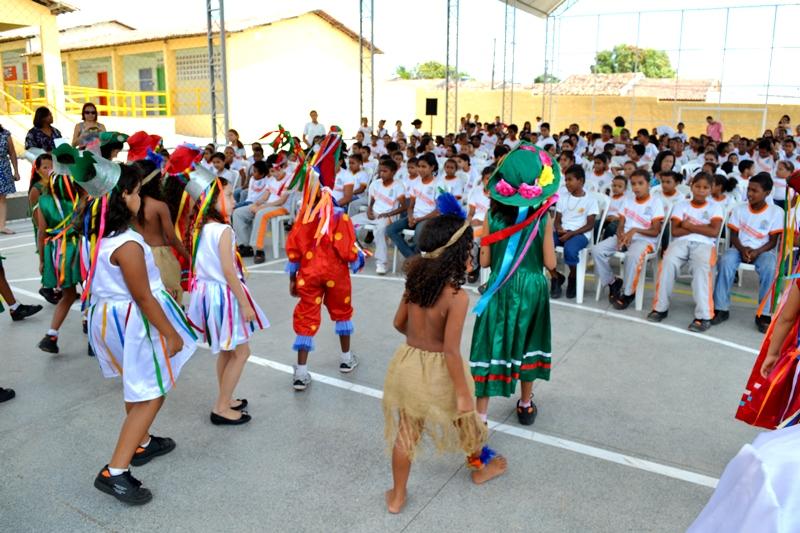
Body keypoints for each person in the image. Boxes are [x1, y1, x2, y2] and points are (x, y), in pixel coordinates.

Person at [69, 154, 196, 505]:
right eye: (137, 191)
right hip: (134, 321)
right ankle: (116, 471)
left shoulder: (101, 236)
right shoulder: (127, 244)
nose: (140, 197)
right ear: (123, 196)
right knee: (153, 392)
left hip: (112, 319)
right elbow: (142, 296)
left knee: (138, 383)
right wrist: (170, 332)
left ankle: (141, 441)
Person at [382, 199, 507, 514]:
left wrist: (417, 340)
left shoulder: (414, 281)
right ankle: (480, 468)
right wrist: (463, 394)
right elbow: (451, 350)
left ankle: (397, 495)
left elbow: (397, 323)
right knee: (466, 422)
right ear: (457, 254)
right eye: (468, 249)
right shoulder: (456, 297)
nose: (471, 254)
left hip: (409, 364)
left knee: (407, 432)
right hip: (442, 370)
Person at [470, 141, 559, 426]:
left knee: (490, 342)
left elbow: (485, 261)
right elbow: (550, 263)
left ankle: (481, 416)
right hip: (532, 288)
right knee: (529, 340)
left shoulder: (491, 217)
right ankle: (525, 404)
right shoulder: (543, 219)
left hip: (499, 287)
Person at [184, 169, 268, 425]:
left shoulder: (201, 228)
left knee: (227, 350)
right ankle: (221, 407)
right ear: (212, 201)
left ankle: (226, 397)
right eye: (229, 196)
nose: (233, 201)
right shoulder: (223, 230)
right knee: (242, 352)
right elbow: (229, 271)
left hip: (209, 294)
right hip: (224, 296)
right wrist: (245, 304)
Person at [286, 128, 363, 391]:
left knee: (306, 316)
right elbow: (348, 250)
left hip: (308, 274)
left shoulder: (304, 217)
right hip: (335, 275)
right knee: (342, 313)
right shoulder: (340, 217)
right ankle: (346, 359)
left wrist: (292, 279)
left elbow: (294, 249)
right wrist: (356, 258)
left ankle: (301, 372)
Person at [648, 173, 723, 332]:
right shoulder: (681, 205)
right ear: (691, 186)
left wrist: (689, 226)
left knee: (702, 268)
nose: (701, 190)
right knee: (667, 263)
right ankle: (660, 307)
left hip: (705, 244)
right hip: (681, 242)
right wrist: (703, 227)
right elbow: (675, 231)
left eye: (705, 188)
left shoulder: (715, 207)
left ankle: (704, 316)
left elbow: (714, 232)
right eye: (697, 186)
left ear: (711, 189)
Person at [712, 173, 783, 333]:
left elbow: (773, 241)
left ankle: (763, 314)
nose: (749, 193)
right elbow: (734, 236)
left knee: (770, 266)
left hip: (763, 251)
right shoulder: (739, 209)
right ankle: (721, 308)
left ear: (767, 193)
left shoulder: (776, 212)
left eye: (755, 191)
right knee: (726, 261)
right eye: (749, 189)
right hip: (739, 248)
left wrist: (757, 251)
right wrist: (743, 249)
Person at [35, 146, 83, 355]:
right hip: (78, 249)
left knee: (68, 295)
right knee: (90, 290)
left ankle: (51, 334)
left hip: (56, 252)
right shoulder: (80, 199)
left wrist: (42, 260)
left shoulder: (43, 201)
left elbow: (42, 232)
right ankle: (90, 328)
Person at [593, 169, 664, 310]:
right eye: (634, 184)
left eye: (640, 183)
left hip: (645, 240)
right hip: (624, 237)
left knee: (632, 256)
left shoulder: (656, 202)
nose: (636, 187)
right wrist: (620, 235)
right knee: (597, 250)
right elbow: (621, 224)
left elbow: (655, 231)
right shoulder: (628, 200)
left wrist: (635, 230)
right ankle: (613, 282)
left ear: (648, 184)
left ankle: (628, 293)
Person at [131, 159, 190, 305]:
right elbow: (172, 238)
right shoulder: (159, 206)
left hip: (138, 257)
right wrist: (189, 258)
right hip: (161, 259)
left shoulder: (129, 206)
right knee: (170, 299)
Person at [351, 158, 406, 275]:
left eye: (385, 171)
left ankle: (381, 263)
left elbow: (403, 207)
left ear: (393, 172)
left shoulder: (399, 186)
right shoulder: (375, 184)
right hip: (373, 214)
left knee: (379, 232)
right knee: (348, 223)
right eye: (380, 171)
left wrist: (388, 214)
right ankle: (354, 253)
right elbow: (372, 200)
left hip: (387, 216)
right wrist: (369, 210)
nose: (382, 174)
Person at [551, 164, 598, 300]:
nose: (567, 183)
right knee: (543, 246)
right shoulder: (563, 197)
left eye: (570, 180)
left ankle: (573, 276)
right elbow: (557, 220)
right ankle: (556, 277)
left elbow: (590, 225)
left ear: (581, 181)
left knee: (570, 249)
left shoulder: (590, 200)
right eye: (566, 180)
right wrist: (559, 229)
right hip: (563, 231)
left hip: (580, 234)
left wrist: (571, 234)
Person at [387, 153, 441, 258]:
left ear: (432, 167)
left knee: (418, 236)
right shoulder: (416, 183)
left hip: (429, 219)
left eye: (424, 166)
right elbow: (411, 206)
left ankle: (412, 259)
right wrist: (410, 217)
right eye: (419, 166)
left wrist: (420, 219)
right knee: (390, 230)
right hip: (415, 217)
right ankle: (412, 258)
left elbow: (438, 211)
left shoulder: (438, 184)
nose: (420, 169)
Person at [242, 156, 291, 264]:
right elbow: (265, 196)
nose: (275, 174)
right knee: (239, 213)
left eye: (277, 170)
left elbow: (282, 201)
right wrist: (255, 204)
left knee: (261, 213)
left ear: (283, 167)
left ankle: (258, 250)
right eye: (272, 171)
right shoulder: (272, 180)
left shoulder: (289, 179)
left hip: (282, 208)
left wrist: (263, 207)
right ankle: (245, 246)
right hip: (268, 206)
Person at [0, 123, 20, 235]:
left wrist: (16, 171)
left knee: (2, 197)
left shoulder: (5, 134)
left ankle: (2, 226)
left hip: (3, 168)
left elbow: (12, 152)